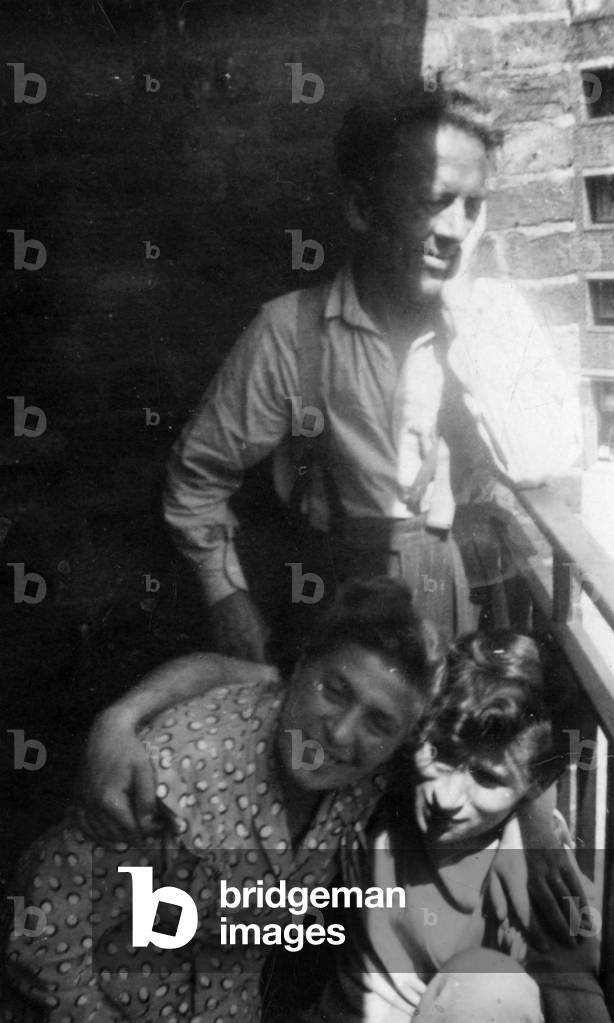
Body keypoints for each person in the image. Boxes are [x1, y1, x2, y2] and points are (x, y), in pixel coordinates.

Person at [162, 80, 582, 663]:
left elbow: (543, 462)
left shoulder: (496, 319)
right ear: (363, 208)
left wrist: (463, 311)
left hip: (476, 606)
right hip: (349, 610)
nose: (457, 230)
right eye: (435, 201)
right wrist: (225, 595)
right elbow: (197, 477)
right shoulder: (291, 331)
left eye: (473, 207)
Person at [1, 579, 435, 1022]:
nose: (341, 734)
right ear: (300, 665)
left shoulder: (364, 781)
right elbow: (45, 933)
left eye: (379, 723)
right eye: (335, 691)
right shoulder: (176, 772)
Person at [286, 631, 609, 1023]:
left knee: (493, 990)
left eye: (487, 779)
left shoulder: (532, 875)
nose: (446, 796)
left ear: (534, 786)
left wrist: (534, 825)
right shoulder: (387, 782)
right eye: (441, 753)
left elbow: (580, 1007)